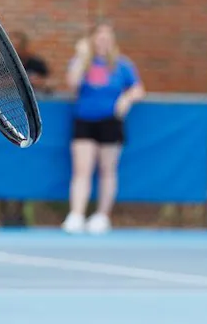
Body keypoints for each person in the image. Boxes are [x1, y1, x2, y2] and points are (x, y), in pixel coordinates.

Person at [62, 21, 145, 234]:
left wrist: (126, 99)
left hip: (110, 122)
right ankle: (76, 214)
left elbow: (138, 89)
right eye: (99, 37)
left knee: (107, 170)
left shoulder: (122, 65)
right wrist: (81, 57)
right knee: (82, 169)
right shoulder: (82, 62)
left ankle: (102, 215)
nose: (103, 41)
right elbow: (72, 83)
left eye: (107, 37)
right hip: (84, 120)